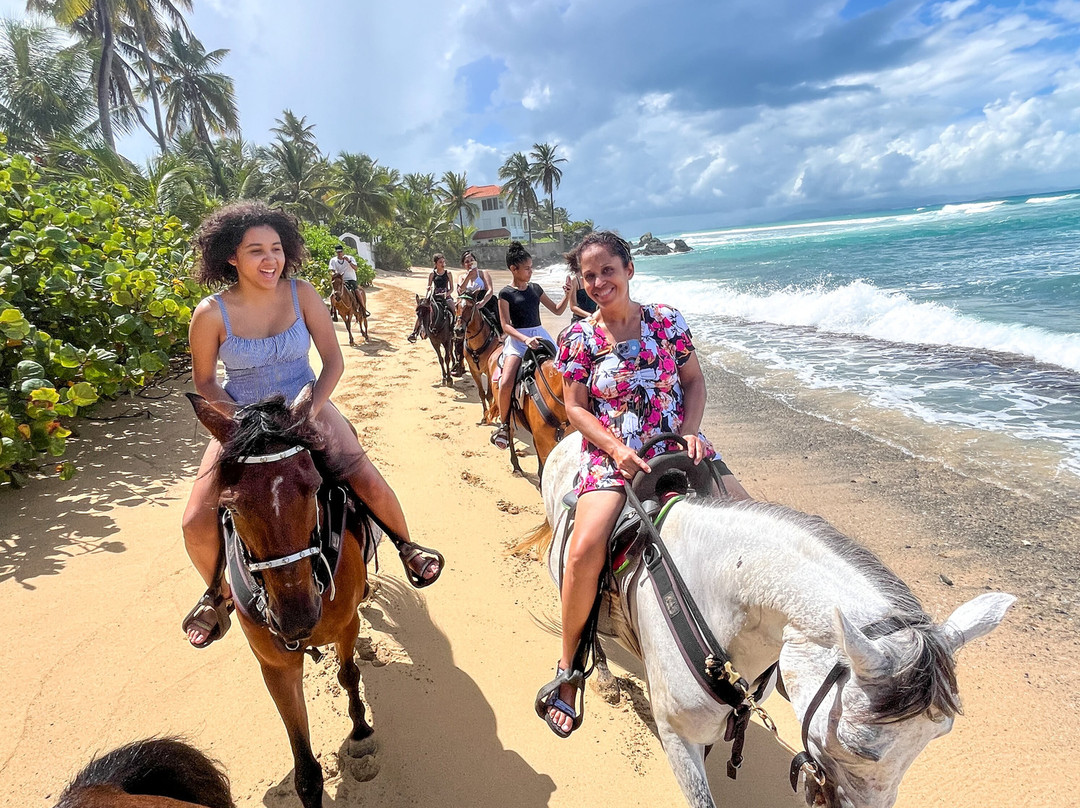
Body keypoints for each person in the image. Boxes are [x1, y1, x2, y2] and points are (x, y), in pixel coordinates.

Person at [181, 202, 443, 649]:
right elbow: (204, 381)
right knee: (193, 520)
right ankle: (217, 592)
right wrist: (242, 421)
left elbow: (333, 361)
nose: (270, 260)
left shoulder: (302, 293)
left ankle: (406, 546)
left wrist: (310, 408)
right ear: (231, 256)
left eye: (277, 249)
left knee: (367, 481)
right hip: (243, 420)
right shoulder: (210, 313)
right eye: (256, 251)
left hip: (309, 407)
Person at [537, 231, 750, 738]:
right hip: (616, 456)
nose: (598, 282)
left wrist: (694, 431)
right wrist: (615, 449)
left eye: (607, 270)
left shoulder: (667, 320)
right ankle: (569, 669)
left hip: (678, 441)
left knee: (755, 520)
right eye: (588, 276)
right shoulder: (579, 339)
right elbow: (574, 408)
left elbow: (693, 380)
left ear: (629, 269)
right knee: (584, 548)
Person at [489, 241, 571, 450]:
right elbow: (506, 325)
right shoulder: (505, 294)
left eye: (531, 267)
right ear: (513, 269)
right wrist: (524, 340)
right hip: (518, 340)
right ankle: (504, 425)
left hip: (541, 335)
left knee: (567, 369)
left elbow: (558, 311)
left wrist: (568, 294)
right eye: (526, 268)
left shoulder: (536, 289)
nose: (530, 271)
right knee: (507, 380)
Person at [407, 253, 454, 343]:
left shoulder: (448, 273)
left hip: (446, 297)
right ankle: (415, 332)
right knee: (422, 311)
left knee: (453, 309)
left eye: (443, 262)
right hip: (435, 297)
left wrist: (447, 294)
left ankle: (453, 330)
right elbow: (429, 286)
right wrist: (428, 288)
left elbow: (452, 288)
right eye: (440, 262)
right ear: (436, 263)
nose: (443, 264)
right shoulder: (432, 274)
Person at [456, 250, 502, 336]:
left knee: (494, 320)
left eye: (471, 260)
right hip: (468, 305)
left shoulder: (483, 273)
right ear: (463, 265)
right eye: (466, 261)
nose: (469, 263)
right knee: (459, 321)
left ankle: (500, 336)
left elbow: (490, 290)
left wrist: (482, 303)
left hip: (484, 302)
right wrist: (468, 277)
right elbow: (460, 291)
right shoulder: (461, 277)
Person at [329, 244, 366, 315]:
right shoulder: (333, 260)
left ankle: (362, 308)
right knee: (333, 294)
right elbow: (332, 270)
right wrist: (336, 274)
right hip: (340, 279)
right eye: (338, 252)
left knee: (356, 291)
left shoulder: (350, 258)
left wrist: (348, 261)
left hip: (351, 279)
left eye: (340, 252)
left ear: (343, 251)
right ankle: (333, 310)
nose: (339, 253)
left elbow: (355, 268)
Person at [566, 252, 598, 323]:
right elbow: (573, 307)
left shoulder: (594, 277)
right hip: (580, 319)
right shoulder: (574, 280)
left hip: (596, 317)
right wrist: (590, 316)